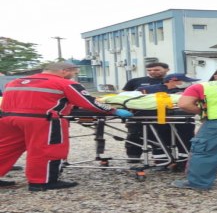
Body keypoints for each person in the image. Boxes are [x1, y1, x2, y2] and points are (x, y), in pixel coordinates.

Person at [0, 61, 133, 191]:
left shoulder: (15, 82)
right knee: (46, 150)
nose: (74, 76)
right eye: (74, 73)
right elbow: (90, 102)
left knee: (5, 148)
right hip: (42, 120)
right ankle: (42, 182)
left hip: (8, 119)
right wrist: (113, 110)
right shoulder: (65, 83)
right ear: (65, 71)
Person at [134, 73, 200, 166]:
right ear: (172, 81)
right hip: (155, 119)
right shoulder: (146, 90)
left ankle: (183, 163)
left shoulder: (188, 90)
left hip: (182, 119)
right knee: (158, 140)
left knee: (185, 139)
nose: (189, 83)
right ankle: (162, 162)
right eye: (186, 81)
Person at [121, 62, 170, 161]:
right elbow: (123, 96)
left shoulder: (171, 81)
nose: (152, 72)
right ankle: (133, 156)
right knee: (134, 134)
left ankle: (161, 158)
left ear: (166, 69)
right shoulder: (135, 81)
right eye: (149, 70)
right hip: (137, 114)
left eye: (156, 70)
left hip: (163, 115)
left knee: (161, 136)